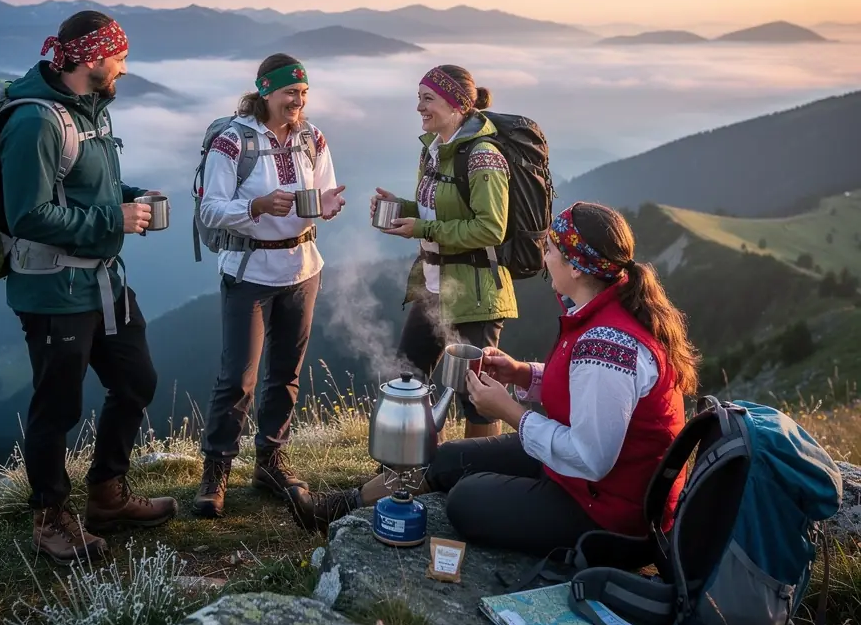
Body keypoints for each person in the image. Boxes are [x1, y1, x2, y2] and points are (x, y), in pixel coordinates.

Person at [289, 201, 700, 556]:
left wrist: (510, 411)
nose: (545, 258)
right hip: (581, 481)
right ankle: (342, 506)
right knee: (449, 457)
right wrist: (522, 372)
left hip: (609, 515)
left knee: (466, 501)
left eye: (551, 250)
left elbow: (592, 458)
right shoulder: (601, 316)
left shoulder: (607, 345)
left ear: (576, 266)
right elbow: (582, 390)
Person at [0, 11, 176, 564]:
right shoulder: (37, 122)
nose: (124, 66)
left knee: (136, 380)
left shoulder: (90, 112)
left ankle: (106, 494)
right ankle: (50, 521)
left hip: (102, 281)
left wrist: (133, 197)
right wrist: (113, 221)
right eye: (119, 56)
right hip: (54, 289)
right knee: (57, 407)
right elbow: (26, 214)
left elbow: (87, 185)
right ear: (92, 59)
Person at [193, 53, 346, 517]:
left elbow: (323, 191)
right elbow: (210, 210)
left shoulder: (312, 137)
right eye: (289, 94)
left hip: (302, 267)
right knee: (238, 376)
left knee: (286, 373)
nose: (298, 102)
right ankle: (216, 469)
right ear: (265, 91)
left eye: (303, 93)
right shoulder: (231, 142)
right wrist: (257, 206)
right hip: (249, 272)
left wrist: (328, 203)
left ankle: (270, 460)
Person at [374, 65, 517, 438]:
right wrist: (403, 207)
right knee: (408, 376)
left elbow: (491, 228)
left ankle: (476, 475)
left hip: (475, 291)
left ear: (456, 104)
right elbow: (438, 209)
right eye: (418, 99)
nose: (419, 108)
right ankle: (414, 464)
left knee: (478, 396)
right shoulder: (434, 151)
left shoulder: (484, 156)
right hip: (433, 285)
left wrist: (422, 228)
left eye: (428, 99)